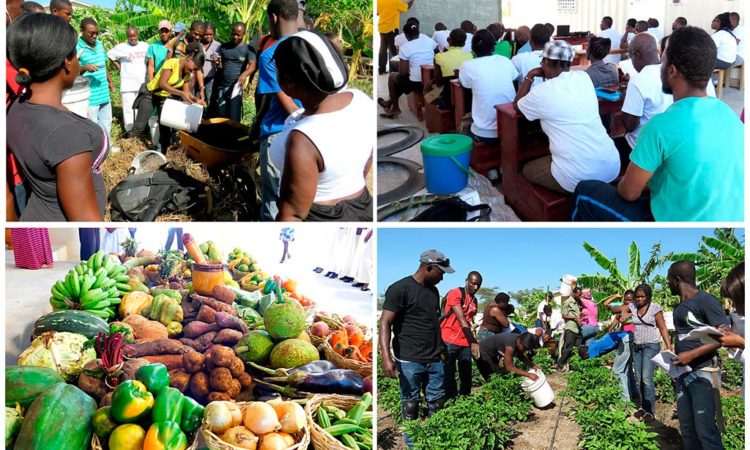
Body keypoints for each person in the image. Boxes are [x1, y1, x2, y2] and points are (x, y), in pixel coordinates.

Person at [573, 26, 743, 221]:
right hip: (730, 232)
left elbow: (629, 193)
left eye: (663, 61)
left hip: (675, 234)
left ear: (671, 71)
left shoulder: (659, 127)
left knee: (586, 190)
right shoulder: (730, 116)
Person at [7, 13, 107, 221]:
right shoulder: (67, 134)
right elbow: (84, 220)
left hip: (36, 213)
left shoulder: (18, 107)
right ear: (67, 62)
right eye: (75, 54)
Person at [271, 31, 373, 222]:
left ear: (289, 82)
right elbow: (366, 161)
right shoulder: (361, 100)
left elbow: (292, 214)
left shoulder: (304, 137)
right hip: (363, 205)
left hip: (319, 218)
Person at [514, 40, 619, 194]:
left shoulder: (543, 90)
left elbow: (517, 105)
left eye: (543, 60)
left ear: (547, 62)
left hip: (579, 177)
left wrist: (530, 76)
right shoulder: (583, 78)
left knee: (526, 169)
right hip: (611, 165)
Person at [380, 250, 454, 420]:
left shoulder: (434, 292)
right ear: (428, 267)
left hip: (434, 358)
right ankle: (413, 444)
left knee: (437, 402)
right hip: (410, 359)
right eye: (440, 272)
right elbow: (385, 322)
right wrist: (386, 357)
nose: (442, 277)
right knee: (410, 405)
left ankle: (434, 440)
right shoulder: (400, 289)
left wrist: (443, 347)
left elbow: (433, 323)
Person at [669, 260, 728, 450]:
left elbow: (725, 336)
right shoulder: (679, 307)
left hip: (704, 371)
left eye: (669, 280)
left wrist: (691, 355)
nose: (668, 284)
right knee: (687, 428)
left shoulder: (706, 301)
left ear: (677, 280)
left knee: (706, 431)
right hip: (683, 373)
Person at [256, 0, 302, 221]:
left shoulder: (270, 55)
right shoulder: (314, 45)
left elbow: (290, 108)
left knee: (273, 199)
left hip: (278, 134)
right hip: (310, 134)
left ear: (274, 17)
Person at [129, 41, 205, 152]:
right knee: (140, 126)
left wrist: (196, 100)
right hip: (149, 95)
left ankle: (163, 154)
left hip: (163, 99)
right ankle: (128, 148)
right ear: (189, 58)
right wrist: (181, 93)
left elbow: (186, 92)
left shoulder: (187, 74)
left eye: (196, 70)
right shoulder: (172, 63)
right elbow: (162, 84)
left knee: (165, 129)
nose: (193, 71)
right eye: (194, 68)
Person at [614, 284, 671, 422]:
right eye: (637, 296)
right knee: (638, 378)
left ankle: (650, 411)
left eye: (642, 296)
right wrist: (622, 312)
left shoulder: (655, 308)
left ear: (648, 296)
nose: (639, 299)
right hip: (637, 346)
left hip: (651, 346)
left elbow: (663, 328)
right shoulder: (632, 306)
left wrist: (669, 346)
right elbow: (613, 309)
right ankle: (642, 407)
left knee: (646, 378)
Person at [458, 29, 518, 144]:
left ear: (472, 48)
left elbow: (465, 85)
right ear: (494, 47)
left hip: (483, 134)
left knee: (463, 126)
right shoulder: (505, 61)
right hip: (511, 129)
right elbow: (514, 78)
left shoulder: (467, 65)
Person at [378, 22, 435, 119]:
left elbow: (403, 72)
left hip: (416, 83)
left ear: (406, 35)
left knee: (392, 77)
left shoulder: (405, 47)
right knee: (402, 80)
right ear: (419, 32)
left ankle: (395, 108)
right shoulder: (429, 41)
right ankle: (389, 102)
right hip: (430, 79)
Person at [440, 271, 482, 399]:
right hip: (449, 339)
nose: (475, 287)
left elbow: (468, 322)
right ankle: (450, 401)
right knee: (449, 373)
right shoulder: (456, 293)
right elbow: (461, 318)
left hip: (464, 342)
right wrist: (474, 341)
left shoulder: (474, 301)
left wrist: (471, 339)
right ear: (467, 281)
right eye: (473, 283)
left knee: (466, 373)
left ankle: (465, 400)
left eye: (478, 285)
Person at [77, 17, 115, 141]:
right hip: (90, 95)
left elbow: (104, 65)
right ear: (82, 31)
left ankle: (107, 145)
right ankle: (96, 150)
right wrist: (84, 68)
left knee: (106, 121)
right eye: (91, 33)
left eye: (96, 33)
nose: (94, 36)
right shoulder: (77, 47)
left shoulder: (99, 44)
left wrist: (110, 81)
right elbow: (71, 71)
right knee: (93, 124)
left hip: (103, 91)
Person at [107, 26, 149, 133]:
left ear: (137, 35)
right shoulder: (122, 47)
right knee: (128, 109)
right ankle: (129, 131)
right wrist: (119, 67)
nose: (132, 38)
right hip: (128, 84)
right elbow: (110, 55)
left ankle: (140, 131)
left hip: (142, 84)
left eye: (134, 35)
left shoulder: (145, 46)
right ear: (127, 36)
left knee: (142, 108)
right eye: (130, 36)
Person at [215, 22, 257, 122]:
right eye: (233, 34)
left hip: (236, 88)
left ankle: (234, 137)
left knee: (234, 117)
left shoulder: (248, 49)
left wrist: (244, 74)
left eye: (238, 35)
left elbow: (253, 65)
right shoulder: (224, 47)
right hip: (222, 87)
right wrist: (218, 64)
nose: (235, 37)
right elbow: (220, 66)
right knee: (222, 116)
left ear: (244, 34)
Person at [475, 332, 541, 381]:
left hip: (492, 354)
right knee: (491, 378)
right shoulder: (510, 345)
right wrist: (528, 375)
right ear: (520, 342)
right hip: (482, 352)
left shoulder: (519, 339)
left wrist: (532, 365)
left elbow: (520, 355)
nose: (524, 350)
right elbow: (509, 367)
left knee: (497, 374)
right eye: (524, 348)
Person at [432, 29, 472, 109]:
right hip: (467, 100)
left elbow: (438, 84)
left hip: (447, 101)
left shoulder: (439, 57)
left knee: (429, 90)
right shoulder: (470, 56)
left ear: (448, 40)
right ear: (464, 43)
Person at [377, 0, 414, 74]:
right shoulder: (395, 1)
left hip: (382, 27)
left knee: (383, 49)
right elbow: (406, 7)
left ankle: (381, 69)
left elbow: (377, 12)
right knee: (394, 49)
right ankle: (397, 69)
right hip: (392, 28)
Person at [511, 23, 551, 88]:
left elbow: (506, 78)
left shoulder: (518, 59)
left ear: (530, 41)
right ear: (549, 41)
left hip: (525, 97)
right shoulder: (557, 61)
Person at [556, 286, 583, 371]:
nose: (579, 297)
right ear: (574, 293)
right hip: (570, 328)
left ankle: (573, 365)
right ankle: (559, 365)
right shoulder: (567, 302)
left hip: (577, 328)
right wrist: (574, 318)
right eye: (578, 295)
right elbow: (564, 315)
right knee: (568, 348)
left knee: (578, 347)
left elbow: (576, 314)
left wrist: (581, 315)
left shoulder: (576, 303)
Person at [201, 22, 221, 115]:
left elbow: (220, 63)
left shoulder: (217, 46)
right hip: (198, 77)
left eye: (210, 34)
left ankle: (209, 117)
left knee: (209, 97)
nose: (208, 36)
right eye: (206, 34)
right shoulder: (198, 43)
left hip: (211, 77)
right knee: (198, 97)